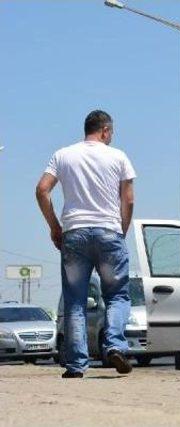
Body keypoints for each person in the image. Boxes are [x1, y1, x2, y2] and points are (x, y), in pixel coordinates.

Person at [36, 110, 136, 378]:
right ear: (105, 131)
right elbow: (128, 200)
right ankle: (115, 345)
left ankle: (77, 365)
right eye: (111, 133)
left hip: (75, 234)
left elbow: (42, 189)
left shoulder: (63, 155)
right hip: (109, 232)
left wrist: (55, 227)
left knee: (75, 302)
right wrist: (120, 231)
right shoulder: (119, 157)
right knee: (116, 295)